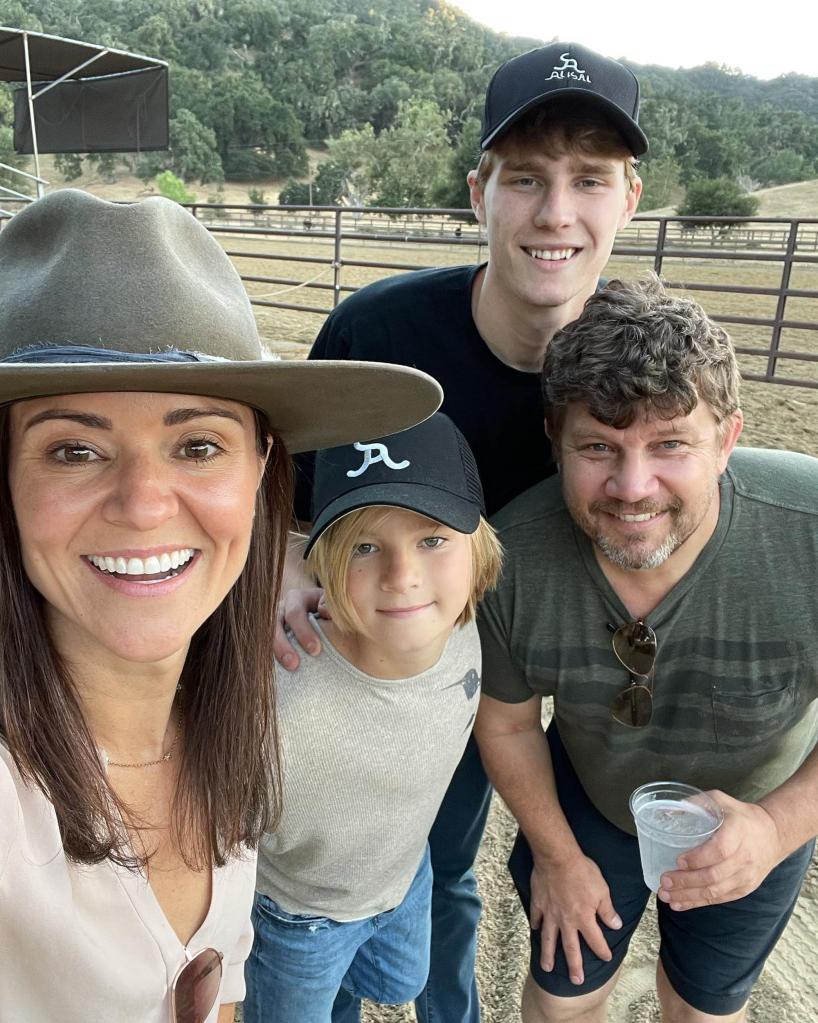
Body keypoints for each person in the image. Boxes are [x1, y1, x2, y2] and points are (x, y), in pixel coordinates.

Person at [0, 188, 441, 1023]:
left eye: (198, 444)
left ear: (261, 472)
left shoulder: (224, 724)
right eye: (74, 449)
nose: (142, 502)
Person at [276, 41, 646, 1022]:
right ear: (478, 189)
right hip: (394, 664)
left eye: (587, 180)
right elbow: (288, 492)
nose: (554, 212)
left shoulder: (639, 361)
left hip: (550, 663)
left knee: (450, 872)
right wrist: (280, 559)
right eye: (524, 178)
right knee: (378, 869)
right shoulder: (381, 336)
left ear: (629, 200)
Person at [475, 276, 818, 1023]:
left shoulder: (809, 530)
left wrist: (774, 829)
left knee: (701, 1008)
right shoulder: (510, 559)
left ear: (728, 439)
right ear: (554, 441)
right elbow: (504, 721)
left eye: (670, 445)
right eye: (598, 446)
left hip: (760, 803)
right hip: (591, 805)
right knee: (564, 999)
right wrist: (558, 858)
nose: (632, 488)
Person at [244, 412, 502, 1022]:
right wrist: (275, 570)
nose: (403, 577)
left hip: (404, 874)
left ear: (477, 547)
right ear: (326, 560)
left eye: (433, 539)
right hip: (297, 913)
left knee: (392, 982)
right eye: (366, 547)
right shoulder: (279, 681)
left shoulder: (463, 624)